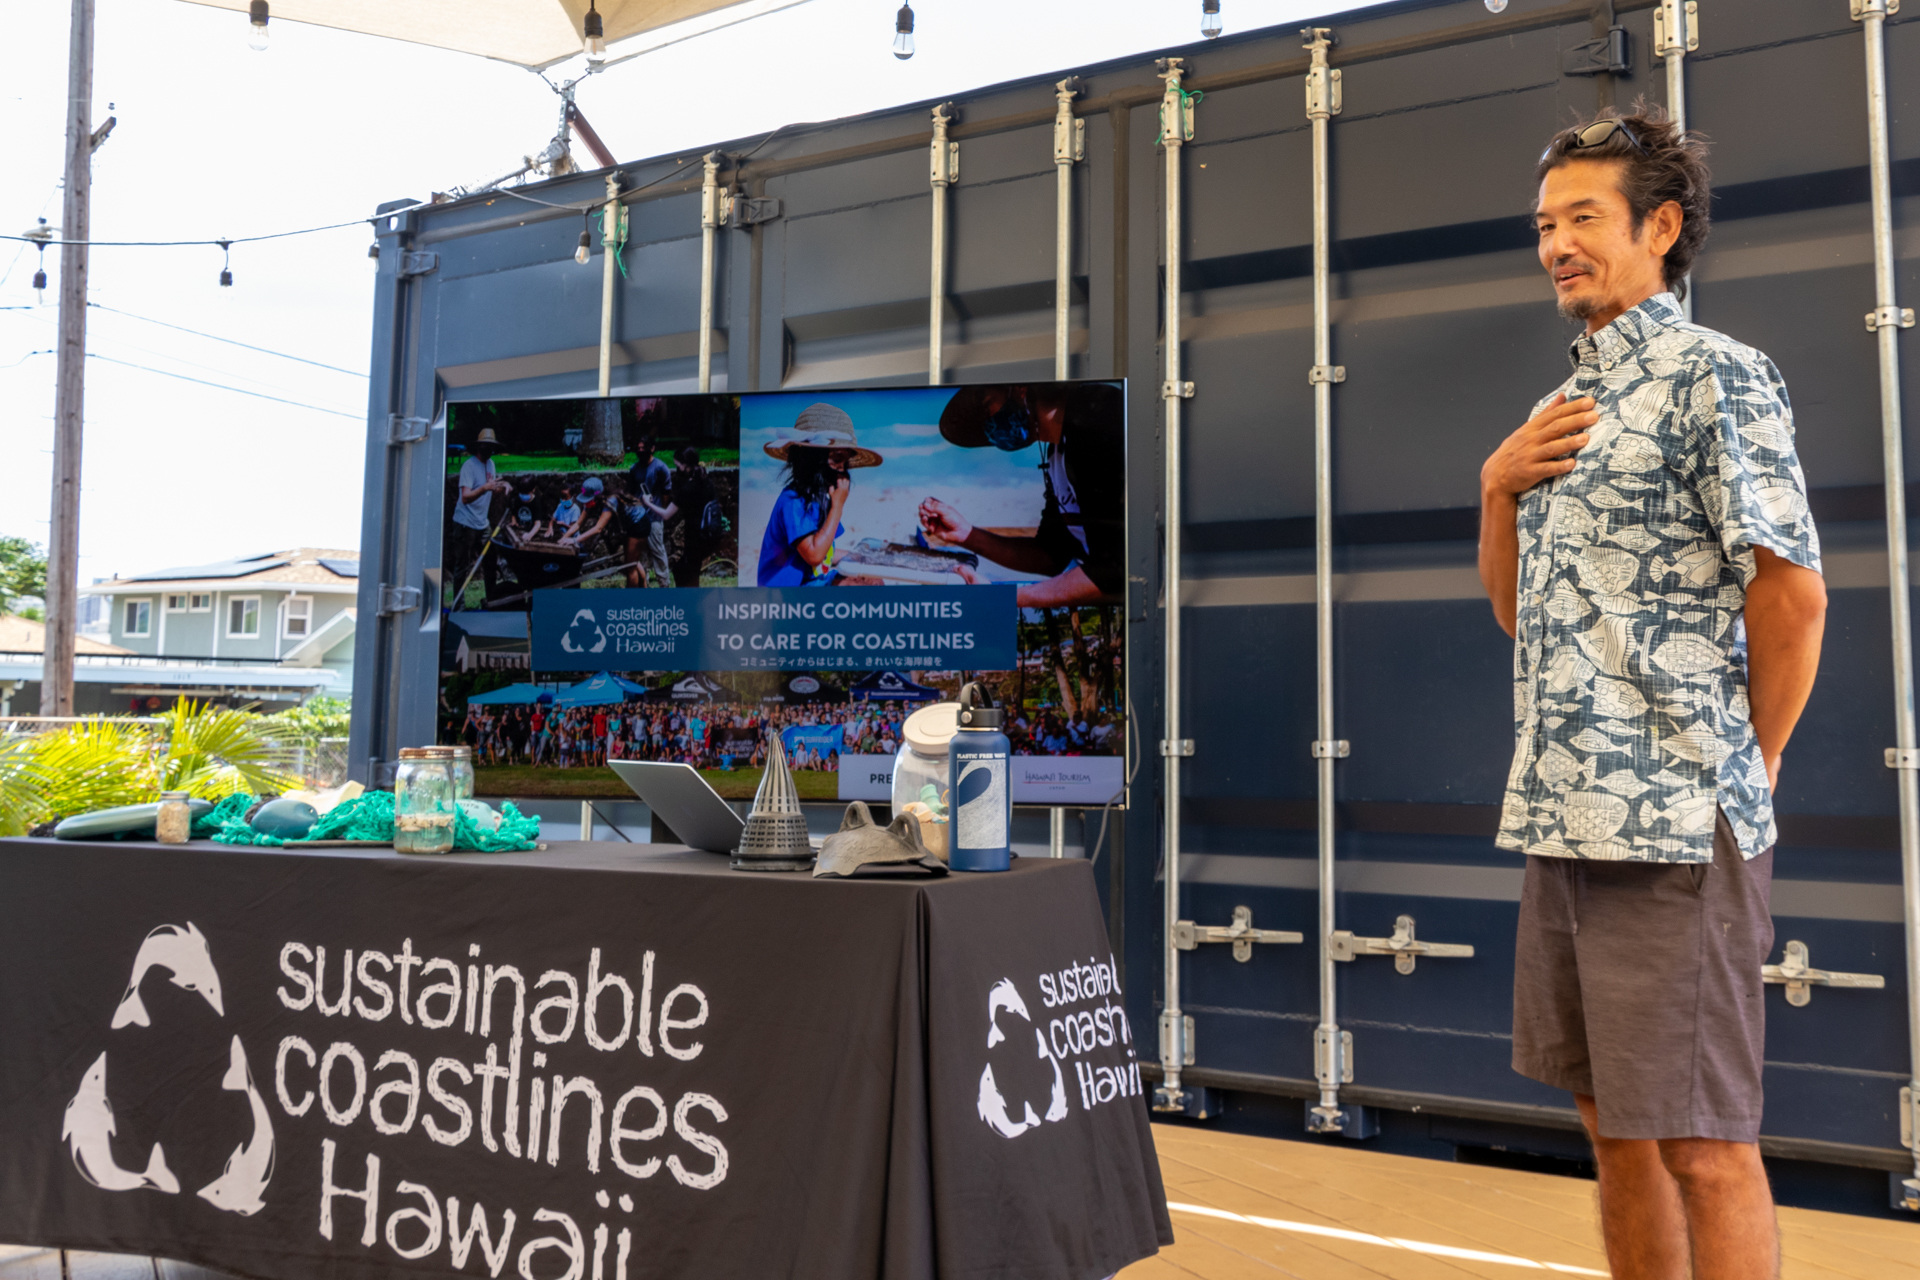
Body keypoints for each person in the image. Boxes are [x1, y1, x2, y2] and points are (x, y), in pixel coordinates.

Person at [1478, 108, 1827, 1280]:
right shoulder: (1554, 411)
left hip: (1676, 824)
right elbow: (1532, 624)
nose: (1557, 243)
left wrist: (1751, 757)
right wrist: (1494, 489)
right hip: (1562, 820)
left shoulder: (1717, 377)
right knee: (1609, 1121)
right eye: (1545, 223)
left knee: (1703, 1136)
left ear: (1661, 227)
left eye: (1584, 217)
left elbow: (1791, 595)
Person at [918, 382, 1124, 608]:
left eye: (988, 406)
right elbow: (1051, 554)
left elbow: (1116, 569)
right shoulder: (1057, 452)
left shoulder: (1097, 420)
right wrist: (967, 534)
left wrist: (1001, 598)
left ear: (1020, 388)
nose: (988, 423)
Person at [756, 403, 882, 586]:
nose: (842, 469)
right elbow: (815, 554)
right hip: (787, 593)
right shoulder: (792, 501)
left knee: (873, 580)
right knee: (855, 587)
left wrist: (861, 558)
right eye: (837, 459)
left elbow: (827, 551)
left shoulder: (818, 499)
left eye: (845, 463)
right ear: (811, 459)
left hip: (812, 582)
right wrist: (838, 506)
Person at [642, 446, 723, 587]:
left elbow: (667, 515)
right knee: (692, 570)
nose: (677, 469)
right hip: (708, 534)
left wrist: (647, 503)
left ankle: (686, 600)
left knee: (682, 571)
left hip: (695, 536)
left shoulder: (688, 489)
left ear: (685, 465)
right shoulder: (706, 481)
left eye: (678, 465)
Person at [451, 427, 511, 600]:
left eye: (492, 447)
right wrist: (484, 487)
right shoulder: (469, 466)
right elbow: (466, 497)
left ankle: (491, 599)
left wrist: (502, 486)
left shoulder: (491, 464)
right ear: (479, 447)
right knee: (462, 566)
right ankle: (458, 604)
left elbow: (491, 490)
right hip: (465, 522)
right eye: (486, 446)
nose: (489, 450)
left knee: (490, 560)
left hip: (482, 523)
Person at [625, 438, 673, 588]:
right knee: (640, 556)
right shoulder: (634, 469)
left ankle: (664, 585)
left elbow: (666, 494)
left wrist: (659, 512)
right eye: (637, 448)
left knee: (658, 553)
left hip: (654, 519)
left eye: (643, 448)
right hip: (638, 520)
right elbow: (631, 493)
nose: (640, 451)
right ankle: (643, 585)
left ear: (652, 448)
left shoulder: (660, 468)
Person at [560, 477, 615, 553]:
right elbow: (578, 524)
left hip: (630, 525)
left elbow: (598, 528)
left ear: (597, 497)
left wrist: (575, 540)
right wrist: (563, 538)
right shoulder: (590, 503)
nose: (586, 502)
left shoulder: (611, 501)